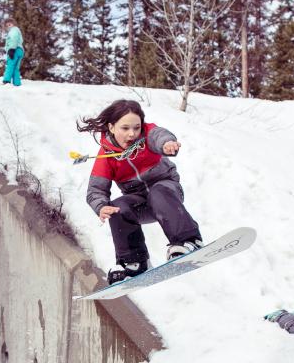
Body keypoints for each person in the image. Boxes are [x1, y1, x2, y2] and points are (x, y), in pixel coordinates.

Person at [78, 98, 203, 284]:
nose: (132, 134)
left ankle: (189, 241)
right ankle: (134, 261)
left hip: (167, 191)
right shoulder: (106, 156)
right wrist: (101, 206)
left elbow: (159, 135)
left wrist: (167, 143)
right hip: (140, 203)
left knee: (157, 193)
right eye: (125, 128)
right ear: (111, 127)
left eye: (136, 128)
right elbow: (95, 190)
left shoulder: (147, 135)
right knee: (117, 208)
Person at [1, 19, 24, 86]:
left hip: (14, 50)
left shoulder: (13, 30)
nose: (9, 26)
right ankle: (17, 83)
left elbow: (14, 39)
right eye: (7, 26)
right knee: (15, 67)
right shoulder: (17, 31)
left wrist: (12, 49)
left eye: (10, 24)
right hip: (20, 50)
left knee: (10, 65)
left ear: (13, 24)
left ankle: (6, 80)